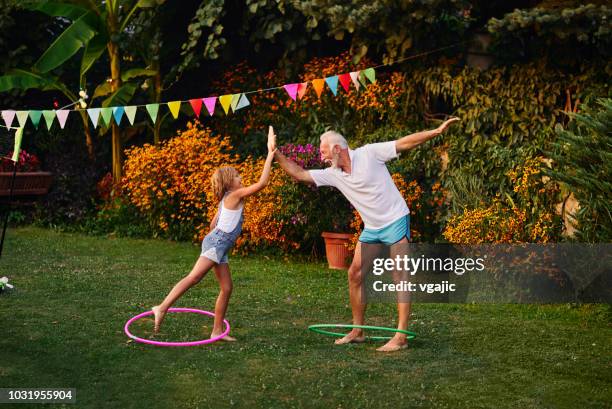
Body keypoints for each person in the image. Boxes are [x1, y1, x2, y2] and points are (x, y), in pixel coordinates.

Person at [272, 118, 460, 352]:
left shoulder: (369, 154)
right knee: (355, 274)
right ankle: (358, 331)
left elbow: (403, 143)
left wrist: (436, 131)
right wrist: (276, 153)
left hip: (395, 219)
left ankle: (400, 336)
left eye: (324, 152)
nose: (322, 158)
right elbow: (300, 174)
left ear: (337, 148)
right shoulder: (334, 173)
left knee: (399, 274)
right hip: (372, 226)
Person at [152, 126, 278, 341]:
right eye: (237, 176)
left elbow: (213, 224)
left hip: (219, 244)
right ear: (229, 182)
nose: (241, 178)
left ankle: (217, 331)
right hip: (218, 244)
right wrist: (270, 155)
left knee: (227, 288)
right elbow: (263, 183)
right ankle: (162, 307)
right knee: (194, 277)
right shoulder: (235, 194)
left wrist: (218, 238)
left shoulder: (225, 200)